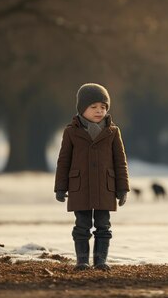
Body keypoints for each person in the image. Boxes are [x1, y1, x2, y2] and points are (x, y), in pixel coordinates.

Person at [54, 83, 129, 271]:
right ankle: (82, 261)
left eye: (103, 107)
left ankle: (100, 260)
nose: (99, 111)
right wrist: (60, 187)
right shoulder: (71, 132)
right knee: (82, 226)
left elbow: (120, 162)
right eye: (94, 107)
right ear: (82, 109)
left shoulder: (113, 132)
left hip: (105, 187)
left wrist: (122, 188)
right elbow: (64, 161)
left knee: (104, 226)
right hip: (81, 188)